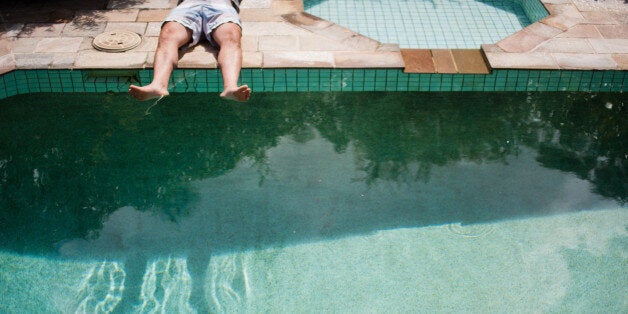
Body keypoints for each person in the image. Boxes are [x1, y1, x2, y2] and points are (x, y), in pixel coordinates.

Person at [129, 0, 251, 102]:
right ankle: (157, 85)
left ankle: (230, 87)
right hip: (189, 3)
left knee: (231, 35)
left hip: (221, 3)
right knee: (168, 34)